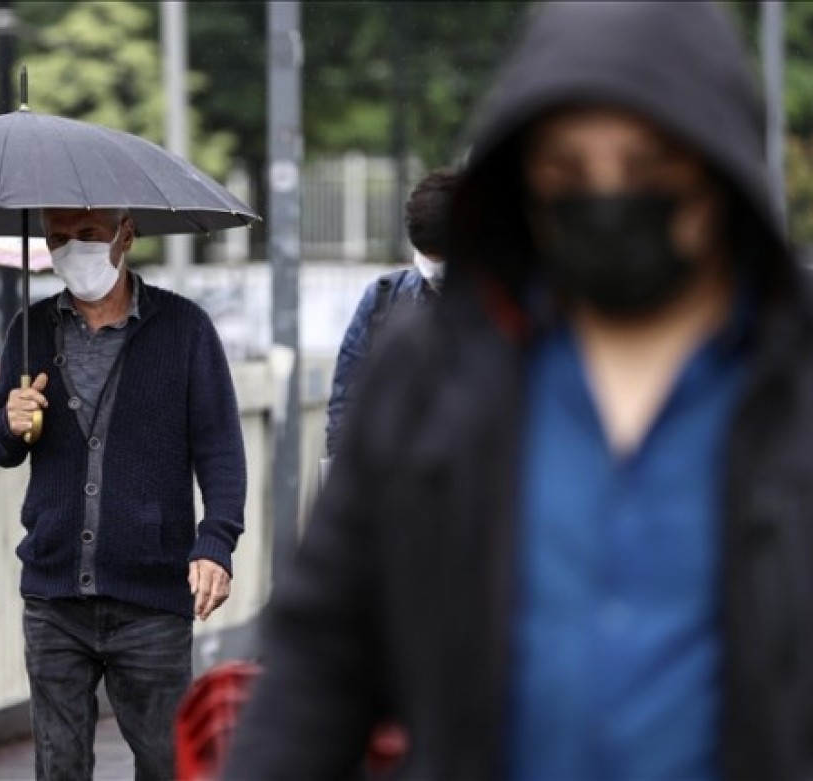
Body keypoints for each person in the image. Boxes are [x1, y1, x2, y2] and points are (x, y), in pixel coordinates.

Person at [224, 2, 813, 777]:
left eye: (645, 171)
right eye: (568, 172)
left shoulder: (792, 382)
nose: (607, 198)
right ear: (522, 181)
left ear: (718, 172)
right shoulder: (429, 381)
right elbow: (318, 663)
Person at [0, 208, 247, 780]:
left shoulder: (185, 328)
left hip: (151, 594)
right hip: (54, 593)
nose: (73, 248)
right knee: (59, 765)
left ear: (127, 232)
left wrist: (215, 543)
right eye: (58, 237)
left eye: (89, 235)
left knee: (166, 760)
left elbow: (220, 448)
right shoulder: (30, 330)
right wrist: (8, 421)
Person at [324, 167, 458, 457]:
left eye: (443, 258)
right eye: (426, 255)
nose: (432, 269)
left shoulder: (507, 311)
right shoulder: (383, 299)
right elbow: (346, 401)